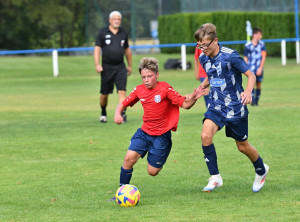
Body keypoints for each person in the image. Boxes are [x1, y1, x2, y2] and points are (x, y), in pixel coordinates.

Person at [110, 57, 203, 200]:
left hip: (161, 137)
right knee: (128, 159)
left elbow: (184, 105)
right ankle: (121, 192)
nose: (146, 80)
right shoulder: (139, 90)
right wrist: (117, 114)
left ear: (157, 75)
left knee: (152, 172)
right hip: (144, 132)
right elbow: (123, 103)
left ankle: (157, 154)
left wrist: (194, 98)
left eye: (150, 76)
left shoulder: (165, 89)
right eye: (143, 77)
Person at [194, 23, 269, 193]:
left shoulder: (231, 56)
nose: (202, 48)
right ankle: (215, 177)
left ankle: (261, 169)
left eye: (205, 45)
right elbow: (211, 75)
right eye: (199, 45)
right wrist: (202, 86)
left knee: (242, 146)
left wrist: (248, 92)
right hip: (216, 106)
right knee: (205, 135)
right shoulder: (203, 58)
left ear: (215, 41)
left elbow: (251, 75)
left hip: (235, 107)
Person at [94, 11, 132, 123]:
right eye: (115, 19)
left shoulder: (123, 33)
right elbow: (97, 49)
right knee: (104, 95)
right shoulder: (102, 32)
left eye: (119, 19)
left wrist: (129, 66)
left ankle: (122, 114)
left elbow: (127, 51)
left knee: (122, 92)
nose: (117, 21)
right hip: (106, 68)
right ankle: (103, 112)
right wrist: (97, 64)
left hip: (120, 67)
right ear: (110, 20)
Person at [243, 27, 267, 106]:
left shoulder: (262, 45)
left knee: (258, 84)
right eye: (259, 35)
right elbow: (245, 57)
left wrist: (260, 68)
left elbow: (263, 56)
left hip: (259, 68)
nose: (261, 36)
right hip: (251, 69)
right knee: (251, 84)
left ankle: (257, 100)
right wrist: (245, 68)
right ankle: (252, 100)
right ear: (254, 35)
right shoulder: (248, 45)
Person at [194, 43, 210, 108]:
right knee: (205, 90)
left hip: (212, 71)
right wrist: (196, 72)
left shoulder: (211, 42)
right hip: (203, 72)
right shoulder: (198, 45)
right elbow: (196, 58)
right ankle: (208, 108)